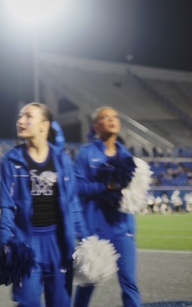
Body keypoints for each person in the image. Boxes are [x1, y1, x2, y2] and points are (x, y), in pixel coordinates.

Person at [0, 102, 88, 306]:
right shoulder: (10, 160)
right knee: (27, 302)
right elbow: (7, 205)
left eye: (28, 116)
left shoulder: (62, 159)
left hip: (58, 243)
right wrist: (5, 242)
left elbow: (73, 203)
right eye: (20, 117)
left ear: (44, 125)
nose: (20, 121)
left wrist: (86, 239)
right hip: (26, 243)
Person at [73, 106, 142, 307]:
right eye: (105, 117)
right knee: (88, 282)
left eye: (115, 117)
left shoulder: (126, 155)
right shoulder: (86, 154)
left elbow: (132, 193)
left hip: (122, 229)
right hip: (95, 230)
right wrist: (106, 186)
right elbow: (76, 188)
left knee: (130, 283)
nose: (112, 120)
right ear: (96, 126)